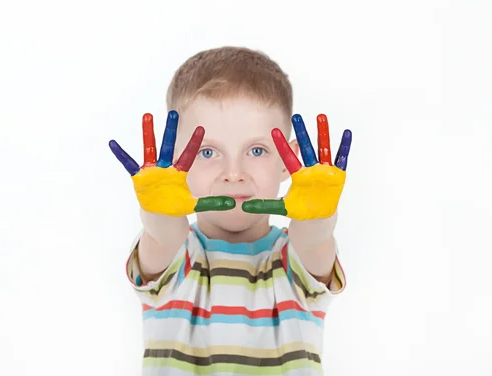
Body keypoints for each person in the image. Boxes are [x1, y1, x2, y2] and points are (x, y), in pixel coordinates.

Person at [109, 46, 352, 375]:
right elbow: (163, 234)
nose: (233, 172)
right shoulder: (175, 258)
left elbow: (313, 240)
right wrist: (158, 212)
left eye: (256, 150)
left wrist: (320, 216)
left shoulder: (294, 262)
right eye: (207, 152)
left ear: (287, 161)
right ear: (176, 161)